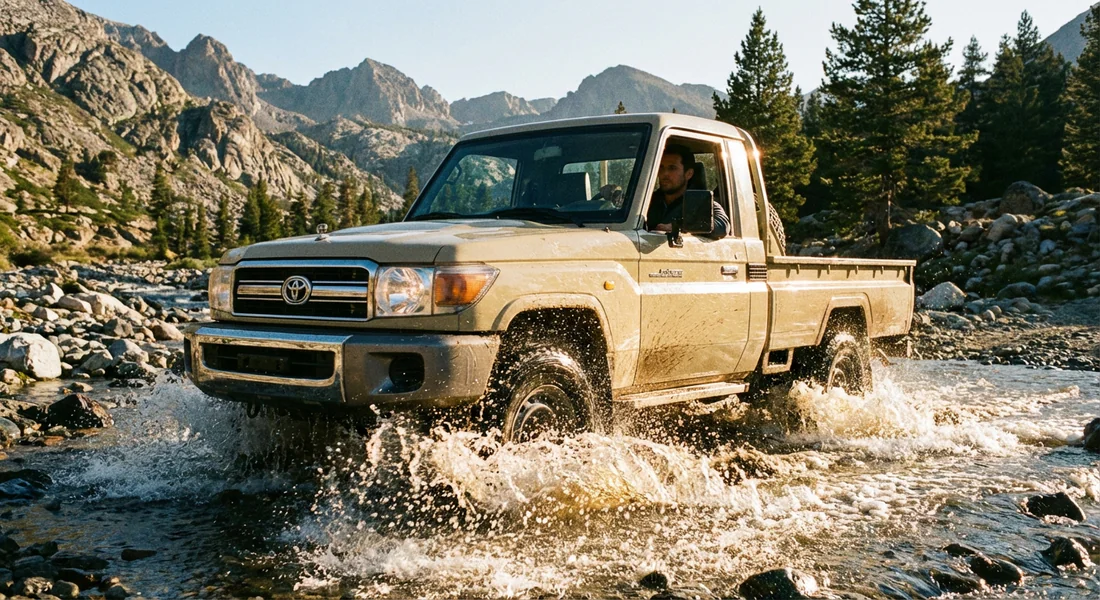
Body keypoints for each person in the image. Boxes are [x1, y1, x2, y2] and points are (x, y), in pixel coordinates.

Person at [646, 144, 730, 239]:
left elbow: (722, 226)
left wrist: (679, 227)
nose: (665, 173)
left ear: (689, 174)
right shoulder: (645, 202)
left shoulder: (701, 203)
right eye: (661, 167)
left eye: (672, 168)